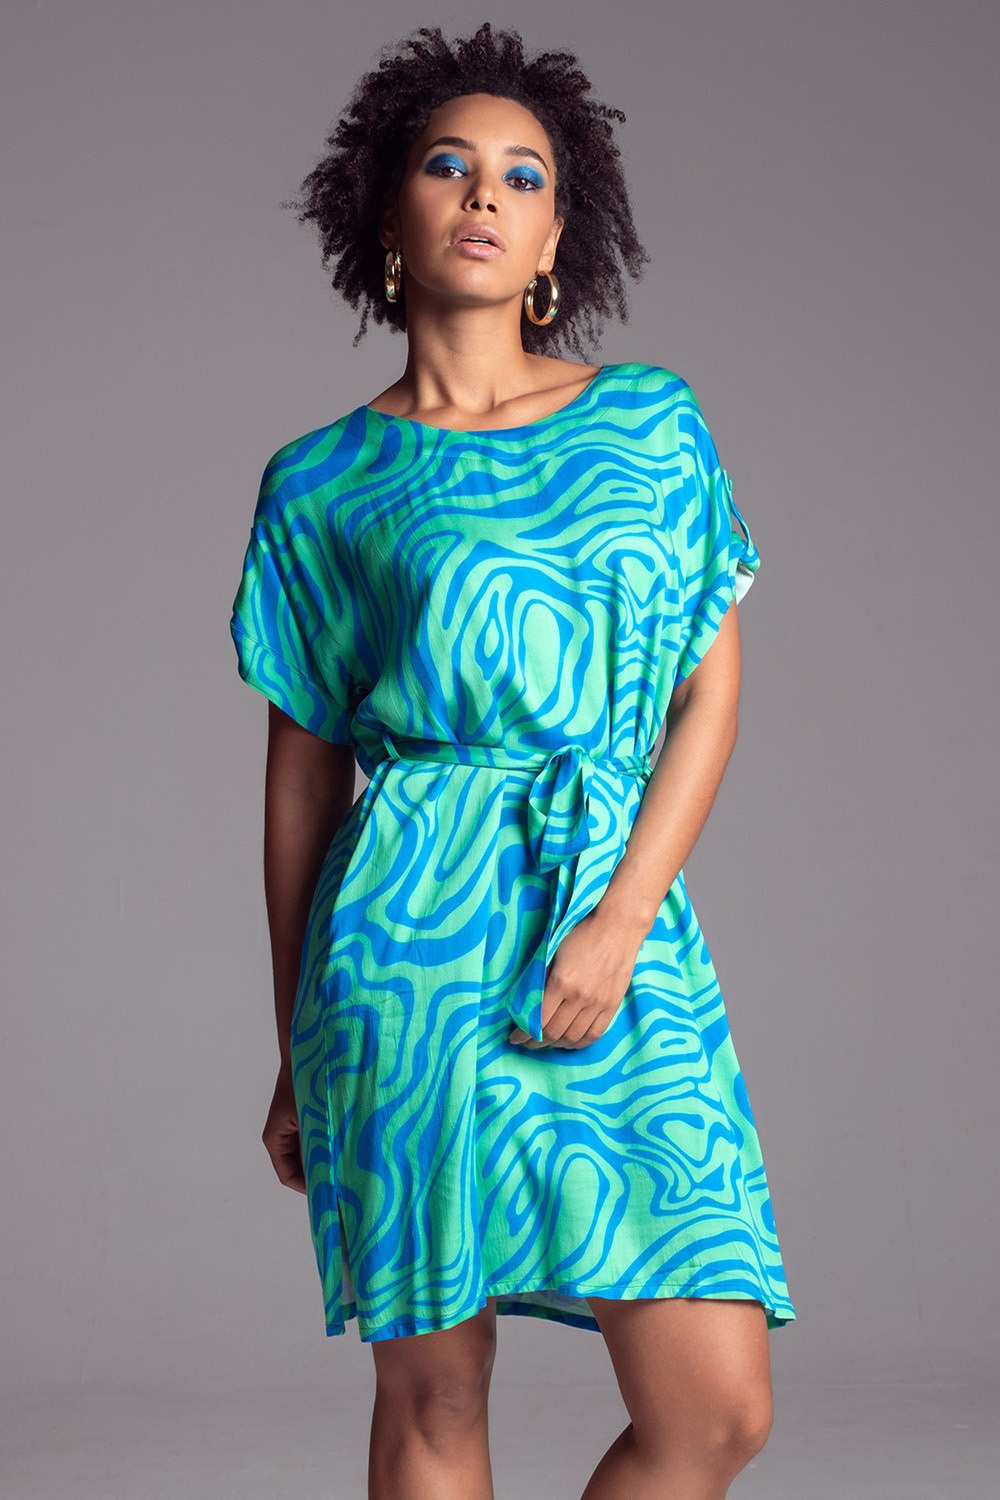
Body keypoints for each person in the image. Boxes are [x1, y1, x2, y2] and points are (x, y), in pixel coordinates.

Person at [228, 22, 796, 1500]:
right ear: (388, 213)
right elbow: (302, 785)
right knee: (435, 1398)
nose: (485, 192)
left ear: (555, 237)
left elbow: (709, 697)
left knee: (717, 1409)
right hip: (401, 950)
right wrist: (295, 1046)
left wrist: (619, 921)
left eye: (523, 175)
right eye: (448, 164)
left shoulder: (650, 423)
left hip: (604, 912)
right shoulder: (321, 482)